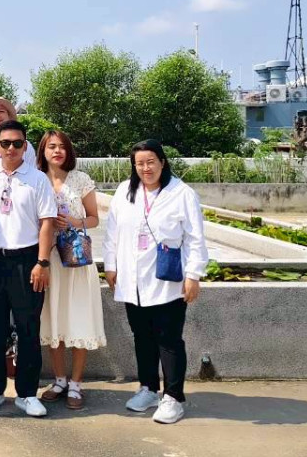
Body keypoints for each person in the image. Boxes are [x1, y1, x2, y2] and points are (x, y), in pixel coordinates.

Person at [104, 139, 208, 425]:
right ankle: (148, 389)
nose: (145, 168)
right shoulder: (125, 191)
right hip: (132, 279)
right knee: (142, 336)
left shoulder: (182, 193)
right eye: (139, 163)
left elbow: (195, 238)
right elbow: (112, 231)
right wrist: (110, 266)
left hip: (167, 280)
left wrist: (194, 275)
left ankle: (173, 397)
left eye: (151, 162)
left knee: (169, 339)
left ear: (162, 162)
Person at [0, 120, 56, 418]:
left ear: (25, 146)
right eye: (5, 143)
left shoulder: (37, 179)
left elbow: (47, 222)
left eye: (17, 143)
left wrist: (42, 262)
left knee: (28, 328)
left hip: (27, 261)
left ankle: (26, 393)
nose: (11, 148)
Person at [36, 130, 105, 411]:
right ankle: (59, 380)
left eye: (62, 146)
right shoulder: (36, 179)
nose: (57, 151)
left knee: (78, 320)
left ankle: (76, 383)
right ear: (43, 151)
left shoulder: (80, 179)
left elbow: (95, 219)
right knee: (54, 319)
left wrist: (76, 222)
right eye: (51, 146)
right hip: (48, 260)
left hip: (76, 260)